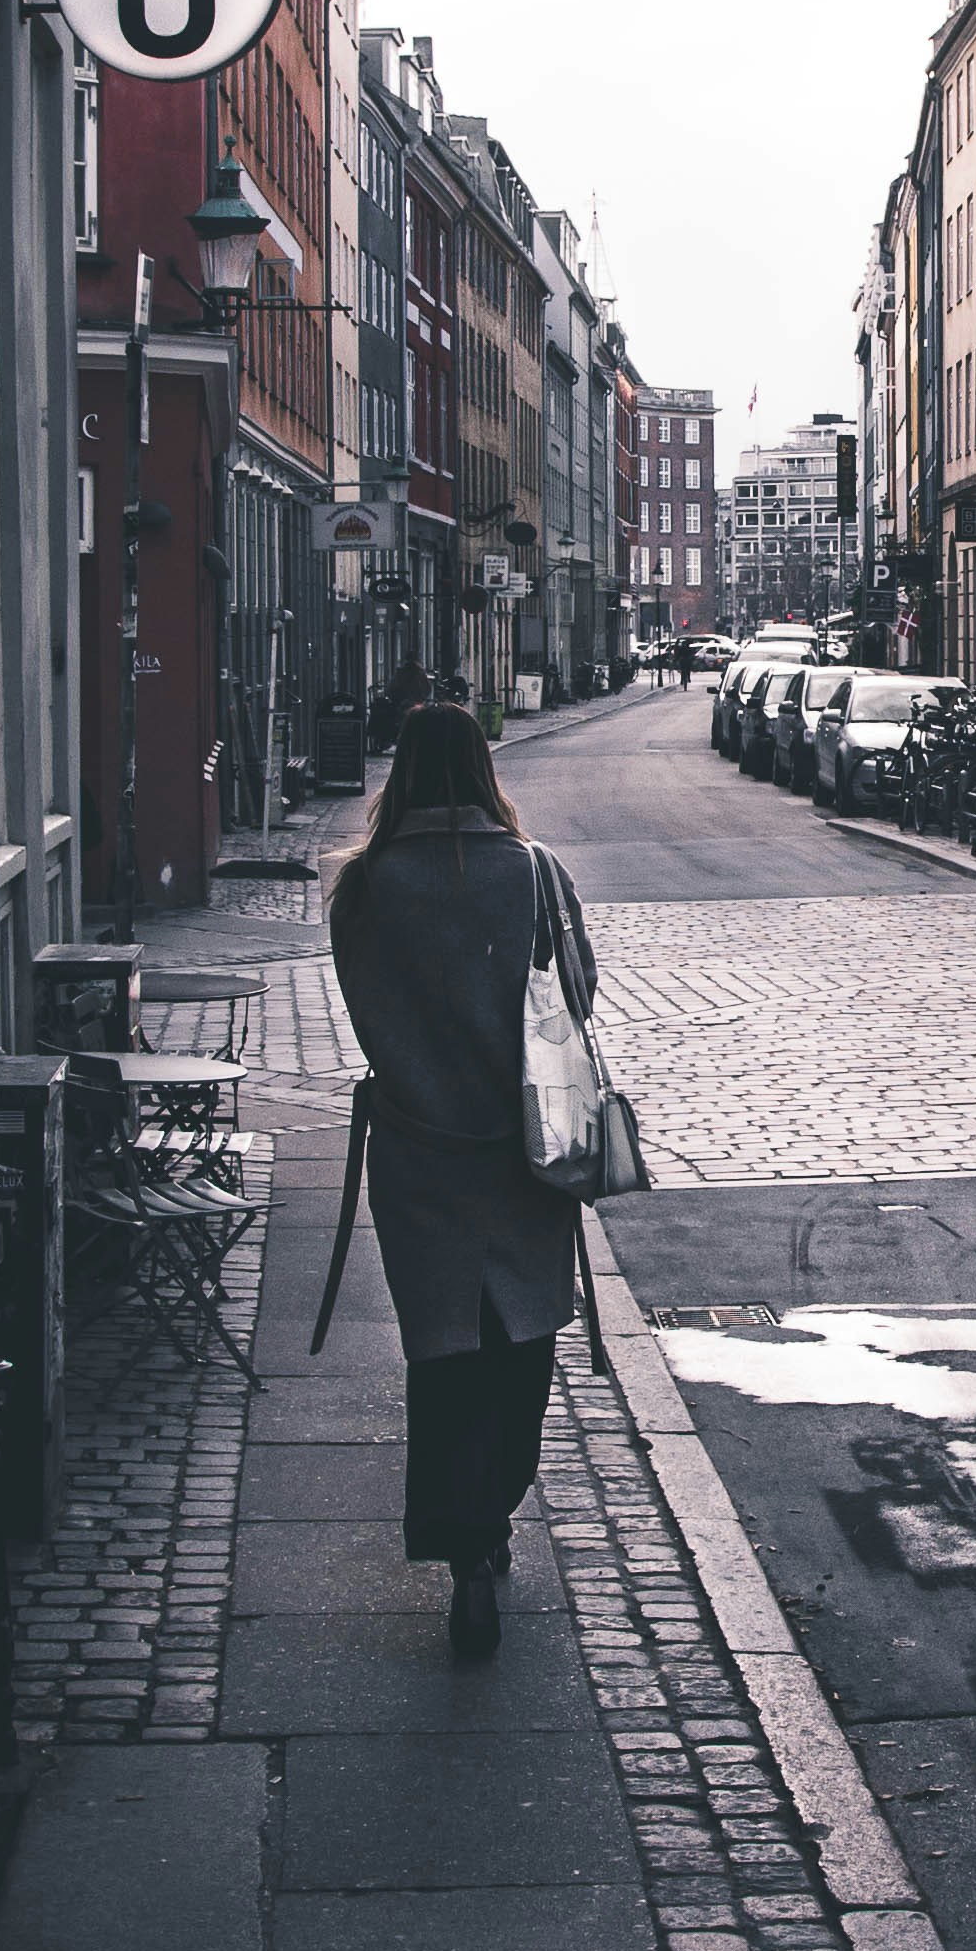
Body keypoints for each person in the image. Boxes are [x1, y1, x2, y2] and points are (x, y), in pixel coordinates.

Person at [325, 701, 593, 1654]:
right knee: (520, 1345)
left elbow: (362, 1000)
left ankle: (460, 1536)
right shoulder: (531, 872)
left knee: (443, 1352)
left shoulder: (363, 887)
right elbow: (580, 994)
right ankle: (489, 1521)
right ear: (485, 770)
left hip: (417, 1152)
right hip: (521, 1152)